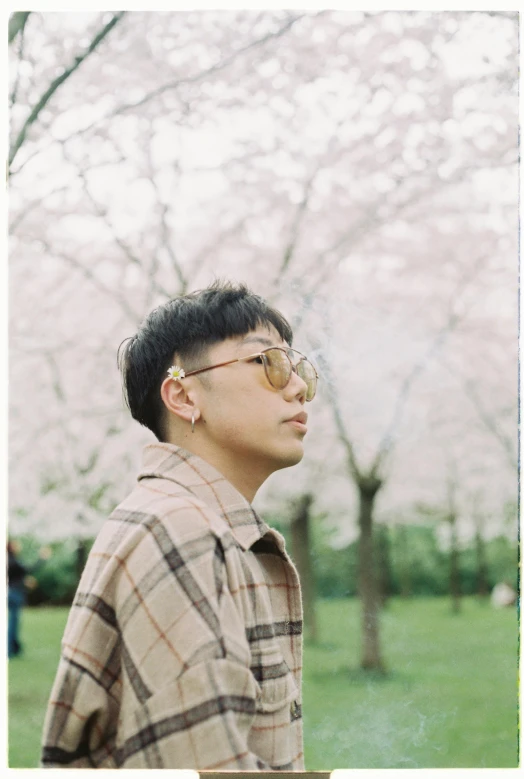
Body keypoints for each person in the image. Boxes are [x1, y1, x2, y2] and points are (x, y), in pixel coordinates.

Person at [41, 281, 319, 770]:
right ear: (184, 396)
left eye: (297, 369)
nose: (297, 386)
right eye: (266, 363)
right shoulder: (179, 531)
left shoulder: (201, 525)